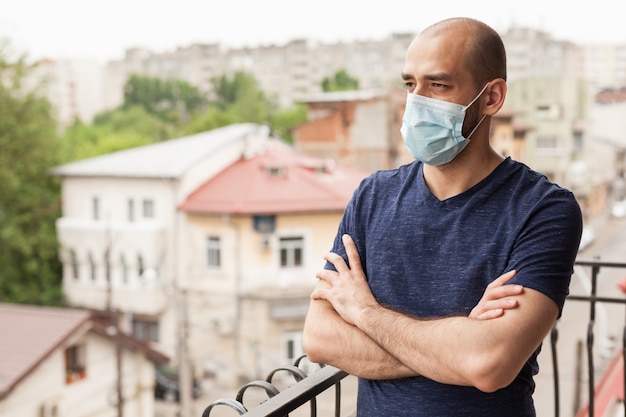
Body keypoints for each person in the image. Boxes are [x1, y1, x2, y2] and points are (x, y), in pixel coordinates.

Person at [302, 17, 583, 417]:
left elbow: (489, 363)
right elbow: (319, 338)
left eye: (438, 85)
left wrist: (364, 313)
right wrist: (459, 345)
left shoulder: (544, 209)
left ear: (491, 98)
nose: (416, 100)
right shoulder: (372, 196)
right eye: (409, 84)